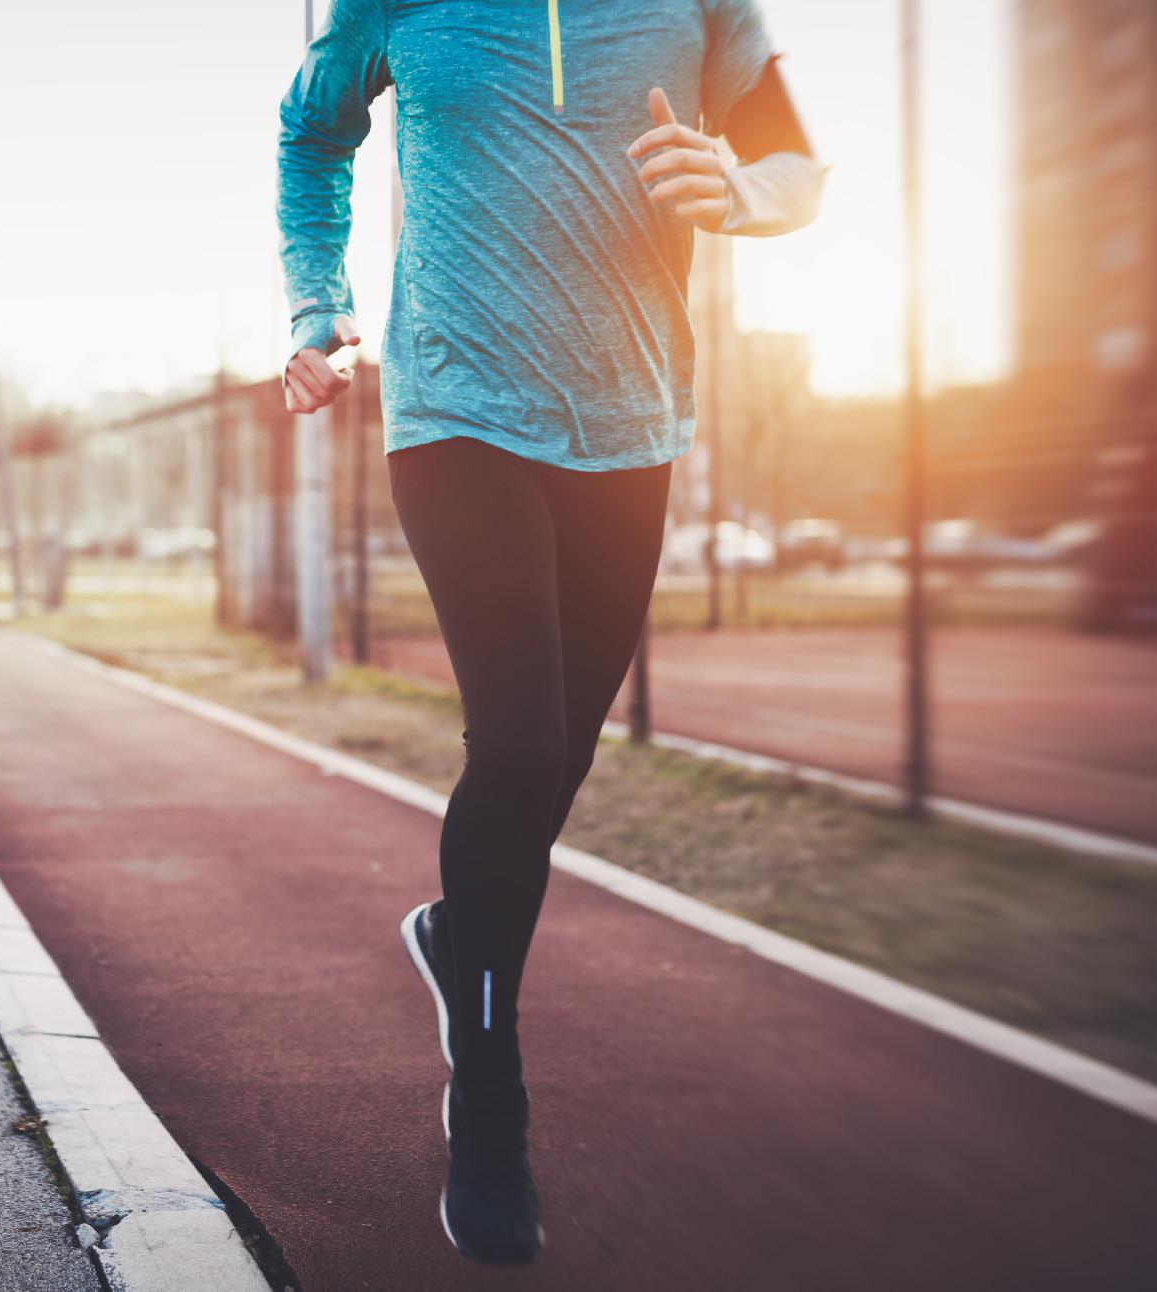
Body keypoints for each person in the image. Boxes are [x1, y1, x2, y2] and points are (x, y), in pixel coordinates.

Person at [276, 0, 821, 1266]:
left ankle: (454, 932)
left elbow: (798, 167)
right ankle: (489, 1097)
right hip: (454, 408)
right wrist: (318, 304)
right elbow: (311, 135)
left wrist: (739, 187)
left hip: (630, 423)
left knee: (559, 757)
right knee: (516, 743)